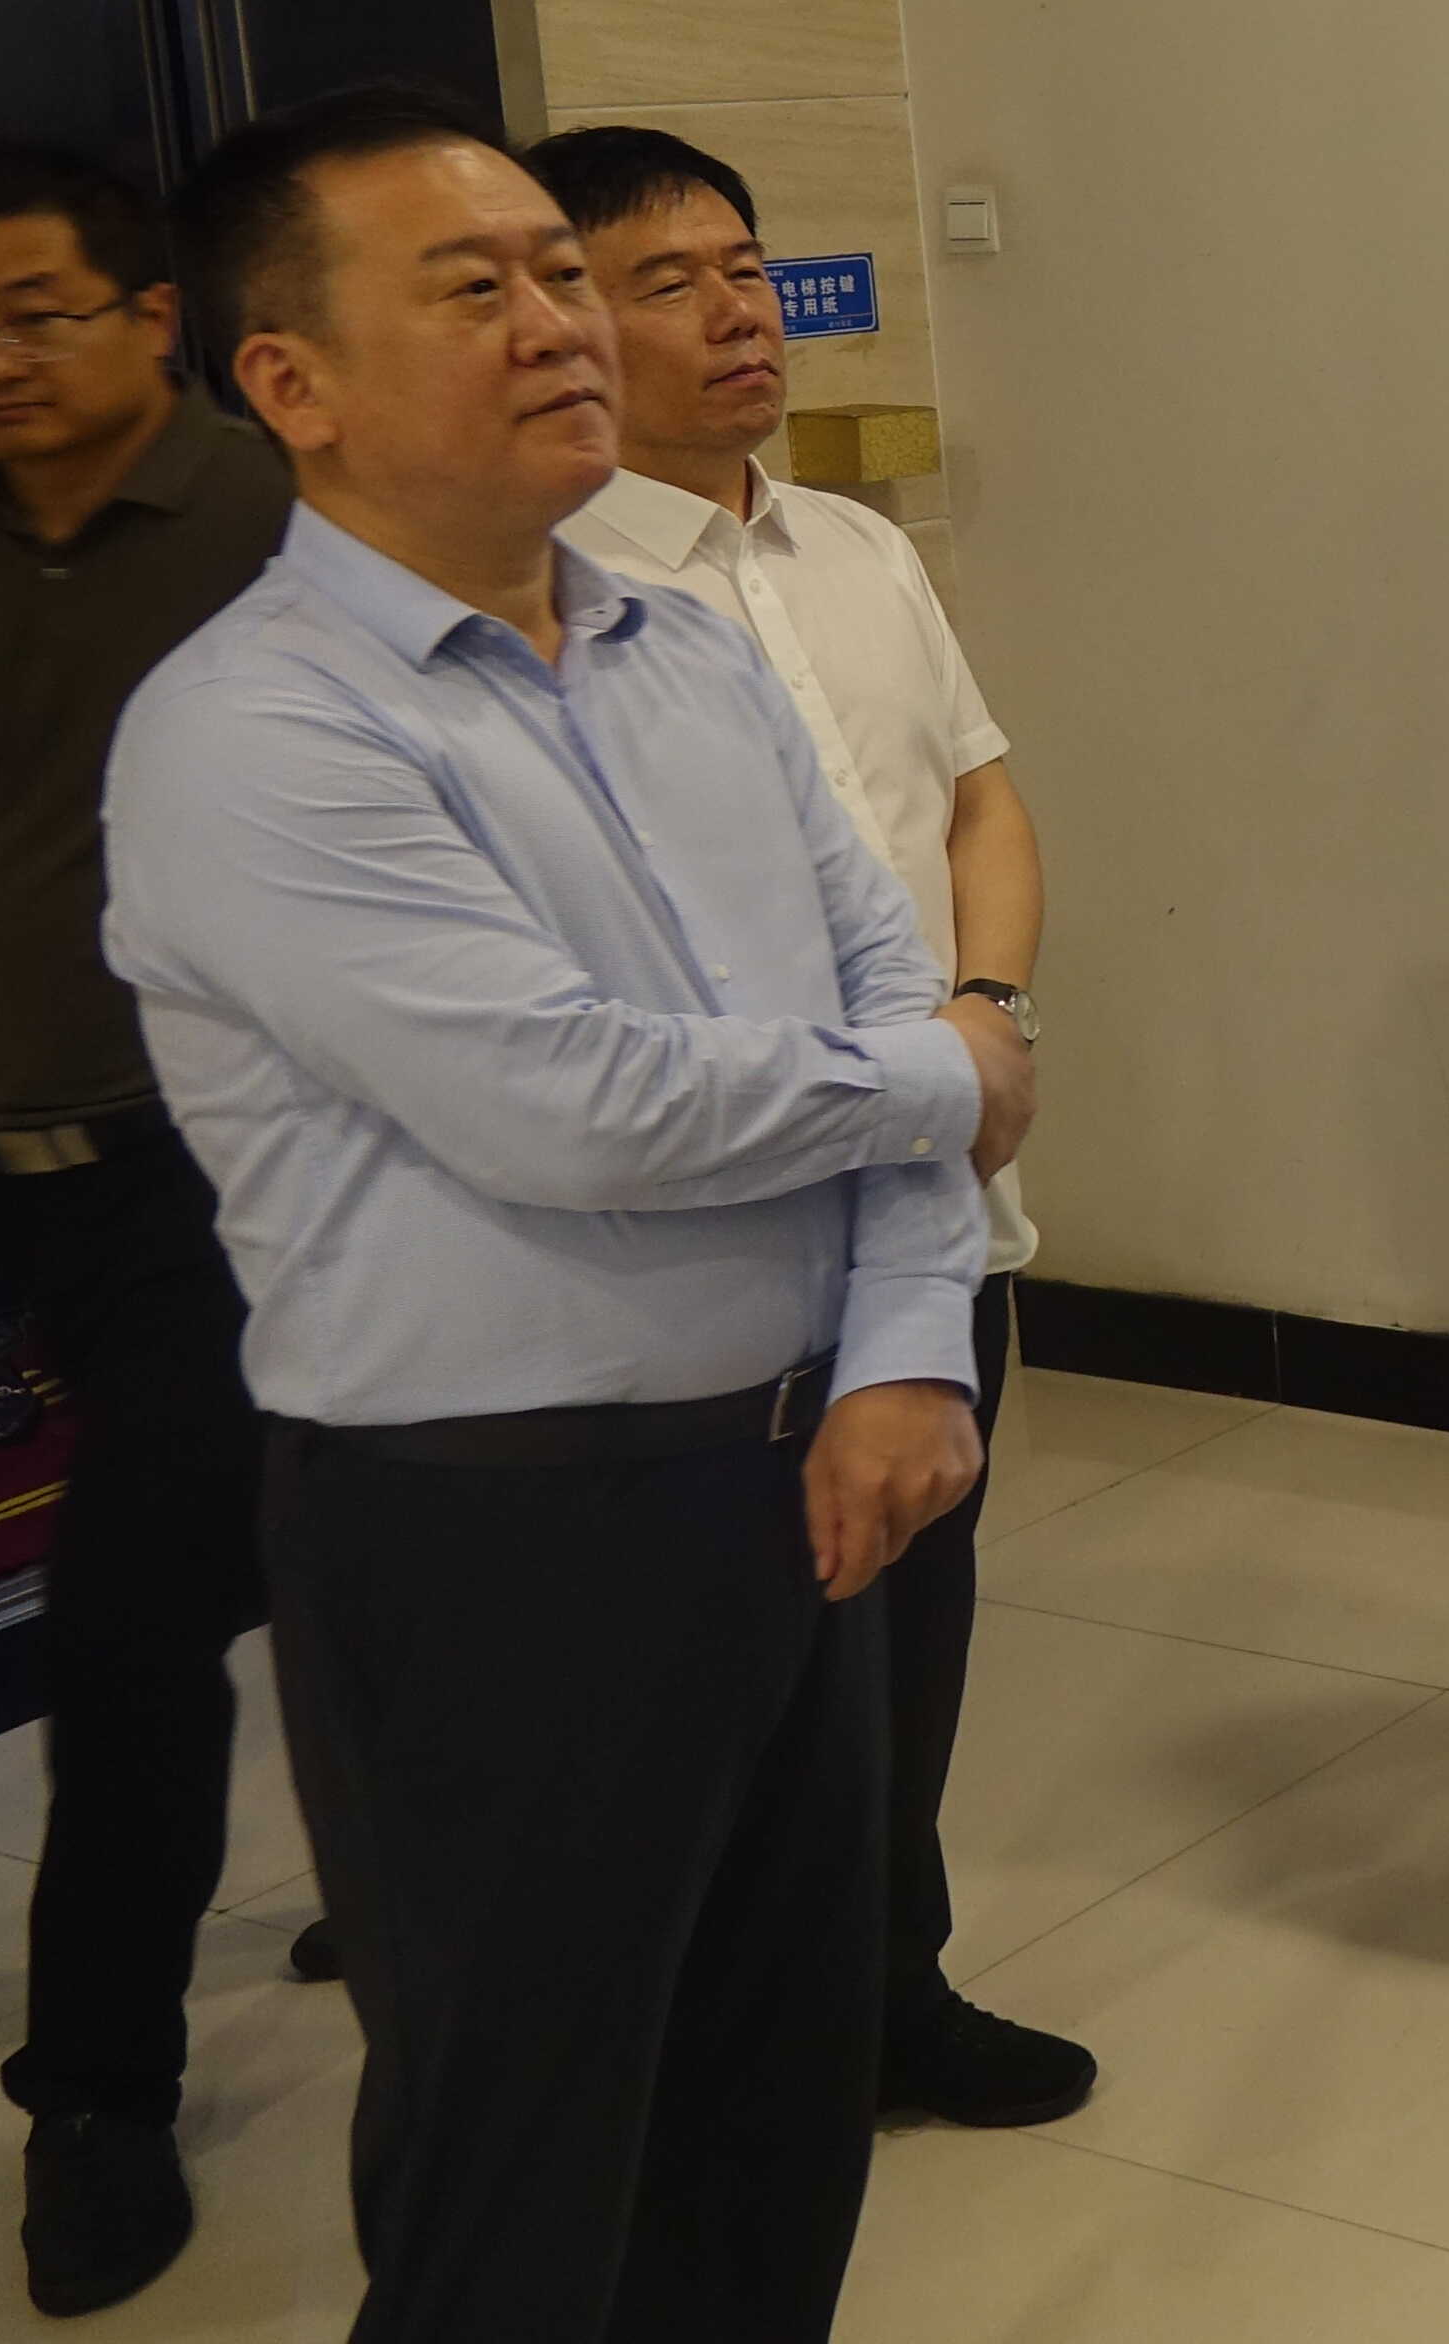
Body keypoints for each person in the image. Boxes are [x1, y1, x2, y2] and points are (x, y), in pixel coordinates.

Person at [102, 87, 1030, 2344]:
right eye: (475, 287)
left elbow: (886, 992)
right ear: (292, 381)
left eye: (552, 270)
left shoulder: (689, 650)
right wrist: (961, 1075)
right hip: (498, 1533)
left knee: (773, 2127)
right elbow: (579, 1106)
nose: (558, 322)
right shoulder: (249, 730)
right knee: (526, 2173)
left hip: (808, 1485)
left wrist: (911, 1344)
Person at [522, 125, 1093, 2126]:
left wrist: (985, 1015)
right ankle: (714, 2041)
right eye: (666, 280)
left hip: (937, 1191)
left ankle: (885, 1989)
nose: (736, 311)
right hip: (726, 1236)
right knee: (723, 1669)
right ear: (564, 321)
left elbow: (982, 801)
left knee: (911, 1633)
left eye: (745, 266)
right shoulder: (553, 596)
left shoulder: (856, 549)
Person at [0, 145, 293, 2313]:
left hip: (263, 1157)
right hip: (29, 1161)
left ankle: (96, 2092)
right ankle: (400, 1876)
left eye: (37, 311)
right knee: (267, 1547)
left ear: (153, 317)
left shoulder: (283, 510)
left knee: (128, 1617)